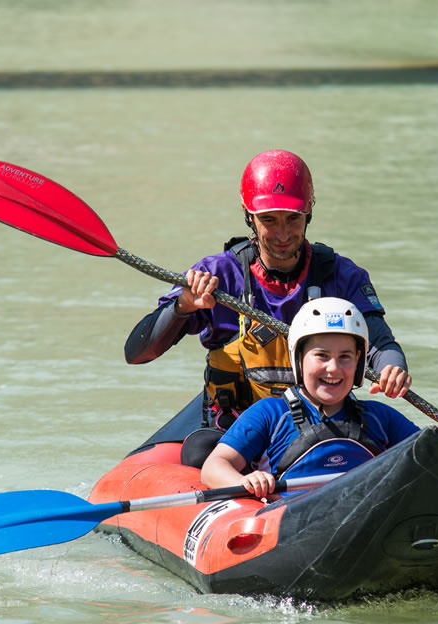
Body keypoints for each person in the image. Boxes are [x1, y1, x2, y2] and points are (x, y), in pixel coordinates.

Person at [125, 149, 411, 435]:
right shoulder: (217, 276)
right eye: (269, 220)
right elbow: (136, 354)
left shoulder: (342, 276)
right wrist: (183, 306)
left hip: (321, 426)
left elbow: (381, 343)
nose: (283, 234)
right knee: (198, 452)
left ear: (308, 212)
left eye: (292, 219)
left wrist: (392, 368)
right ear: (249, 217)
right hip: (236, 432)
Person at [201, 298, 438, 498]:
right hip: (290, 523)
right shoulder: (269, 413)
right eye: (321, 356)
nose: (334, 368)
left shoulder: (380, 418)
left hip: (364, 521)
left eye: (345, 357)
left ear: (359, 363)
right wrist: (245, 482)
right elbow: (215, 466)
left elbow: (435, 459)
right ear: (299, 360)